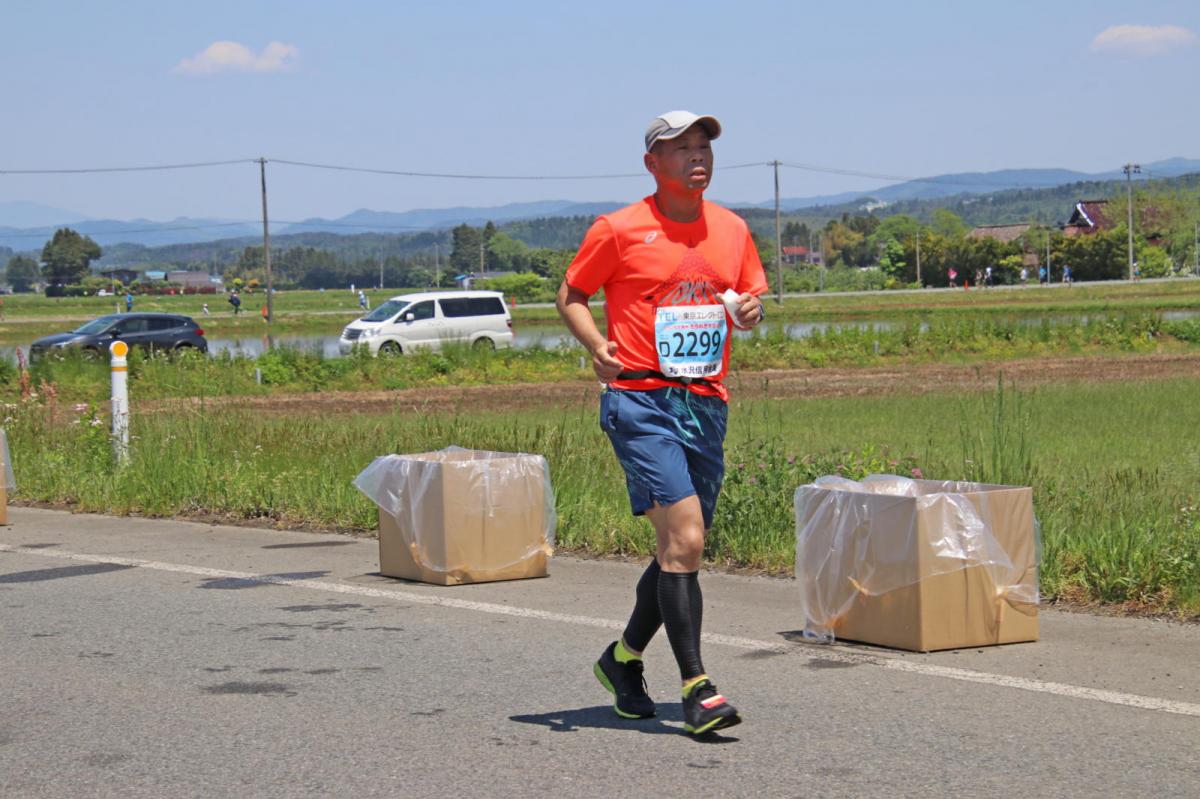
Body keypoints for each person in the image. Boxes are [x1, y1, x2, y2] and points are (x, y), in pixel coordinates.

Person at [556, 110, 766, 737]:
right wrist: (596, 346)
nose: (697, 157)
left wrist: (748, 312)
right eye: (681, 149)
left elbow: (747, 298)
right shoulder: (618, 229)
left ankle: (621, 660)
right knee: (686, 538)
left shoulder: (731, 228)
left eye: (704, 147)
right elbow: (571, 294)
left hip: (706, 402)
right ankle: (698, 688)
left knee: (681, 544)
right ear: (653, 163)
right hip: (640, 400)